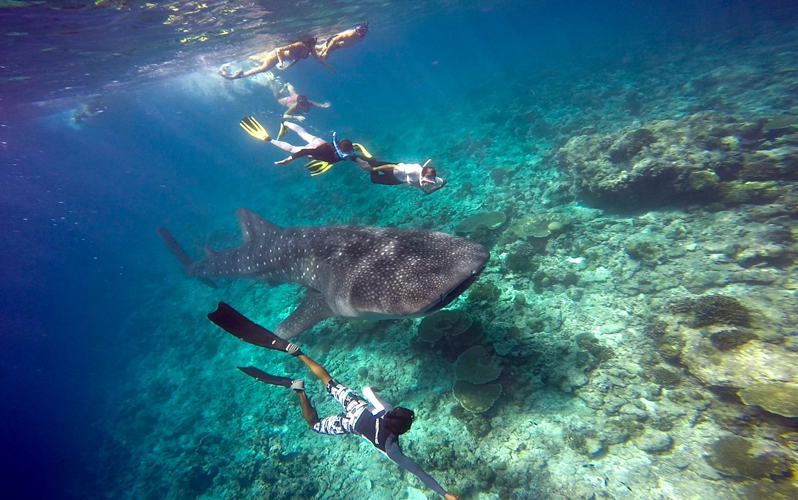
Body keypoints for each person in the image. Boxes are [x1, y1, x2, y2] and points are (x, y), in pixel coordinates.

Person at [206, 302, 461, 500]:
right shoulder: (391, 447)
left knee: (327, 379)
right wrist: (444, 494)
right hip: (349, 422)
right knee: (315, 425)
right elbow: (418, 472)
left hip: (357, 406)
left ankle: (297, 353)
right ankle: (298, 389)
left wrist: (373, 393)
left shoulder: (388, 411)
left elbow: (367, 390)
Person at [239, 116, 371, 174]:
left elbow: (352, 157)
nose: (348, 157)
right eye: (346, 155)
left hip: (319, 142)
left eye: (349, 154)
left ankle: (284, 123)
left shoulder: (346, 151)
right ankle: (269, 139)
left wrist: (360, 161)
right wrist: (287, 160)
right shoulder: (325, 153)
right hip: (315, 149)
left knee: (302, 132)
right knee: (292, 148)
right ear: (341, 151)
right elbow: (302, 153)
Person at [263, 72, 331, 139]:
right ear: (299, 103)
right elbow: (285, 115)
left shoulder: (308, 102)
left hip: (297, 97)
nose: (304, 106)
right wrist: (296, 117)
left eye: (304, 104)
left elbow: (318, 105)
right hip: (288, 101)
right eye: (302, 105)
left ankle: (288, 84)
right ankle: (271, 82)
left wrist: (324, 105)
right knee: (278, 97)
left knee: (293, 92)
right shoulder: (295, 106)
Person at [220, 38, 317, 79]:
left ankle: (242, 58)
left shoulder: (306, 50)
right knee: (263, 69)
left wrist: (289, 66)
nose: (313, 47)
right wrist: (281, 62)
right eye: (312, 45)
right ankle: (240, 75)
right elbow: (278, 50)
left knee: (262, 61)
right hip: (275, 56)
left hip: (274, 59)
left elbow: (297, 59)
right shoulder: (298, 45)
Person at [358, 158, 448, 194]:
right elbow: (393, 166)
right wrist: (373, 169)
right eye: (425, 182)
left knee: (374, 180)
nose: (427, 185)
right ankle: (358, 157)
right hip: (394, 170)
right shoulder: (412, 171)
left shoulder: (435, 181)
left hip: (396, 180)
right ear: (421, 175)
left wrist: (430, 191)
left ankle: (369, 163)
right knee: (374, 164)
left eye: (430, 183)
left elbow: (444, 182)